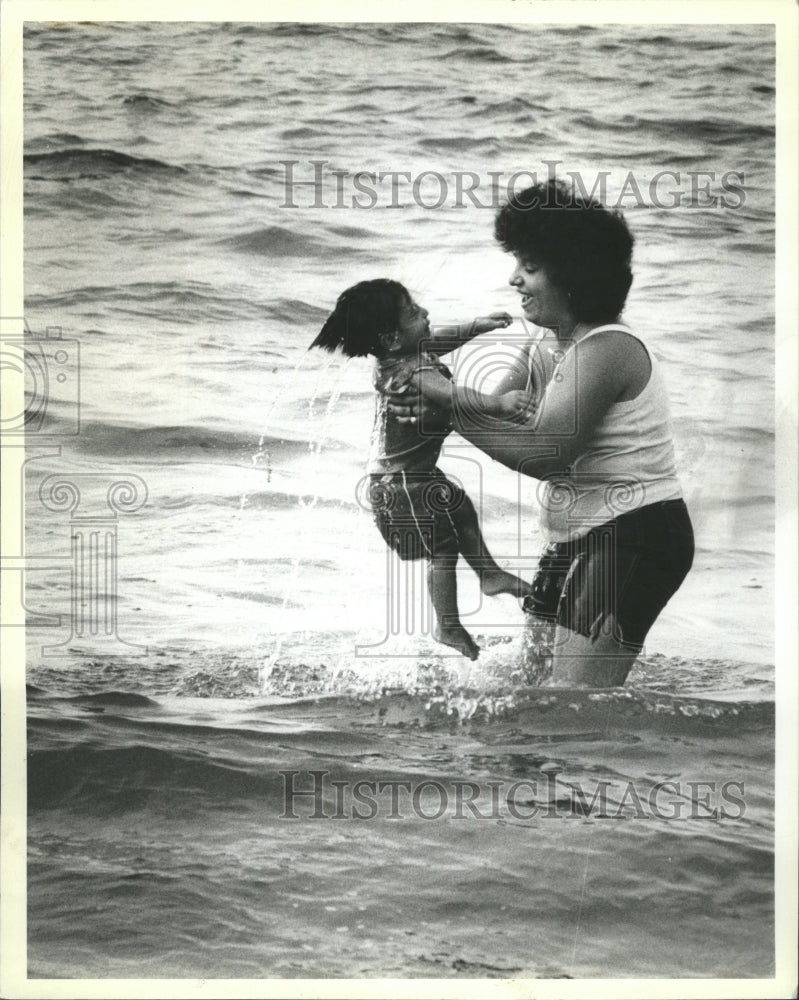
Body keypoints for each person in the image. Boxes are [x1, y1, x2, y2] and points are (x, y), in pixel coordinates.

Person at [389, 180, 695, 687]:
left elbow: (547, 454)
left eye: (529, 268)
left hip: (637, 535)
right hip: (575, 534)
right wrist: (421, 392)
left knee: (571, 702)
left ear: (572, 278)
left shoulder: (607, 349)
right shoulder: (546, 343)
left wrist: (447, 410)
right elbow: (497, 415)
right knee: (528, 685)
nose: (514, 279)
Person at [310, 278, 533, 660]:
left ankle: (490, 575)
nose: (426, 314)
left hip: (412, 478)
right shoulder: (411, 372)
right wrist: (501, 405)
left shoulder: (404, 355)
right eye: (414, 313)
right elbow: (452, 396)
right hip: (402, 487)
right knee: (442, 546)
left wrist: (477, 326)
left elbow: (442, 338)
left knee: (460, 507)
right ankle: (447, 625)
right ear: (393, 338)